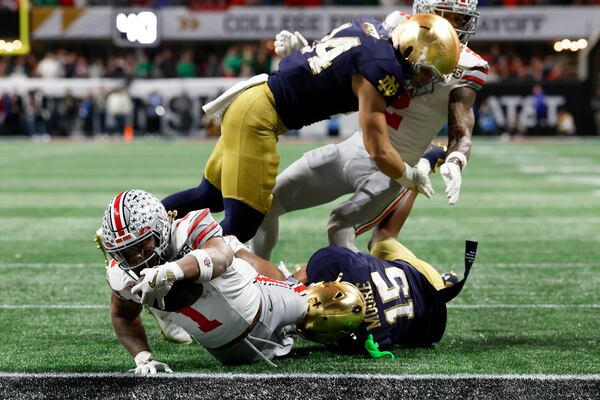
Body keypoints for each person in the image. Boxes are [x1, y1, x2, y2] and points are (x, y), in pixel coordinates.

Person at [162, 14, 461, 244]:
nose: (425, 81)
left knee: (209, 196)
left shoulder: (368, 28)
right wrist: (410, 176)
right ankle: (174, 270)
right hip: (259, 116)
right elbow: (378, 149)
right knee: (243, 222)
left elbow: (330, 65)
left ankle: (144, 227)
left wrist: (301, 51)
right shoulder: (385, 71)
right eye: (425, 72)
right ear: (409, 50)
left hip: (253, 100)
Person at [253, 0, 488, 259]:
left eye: (462, 19)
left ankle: (366, 294)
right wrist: (309, 58)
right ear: (424, 12)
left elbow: (462, 130)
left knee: (340, 227)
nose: (455, 27)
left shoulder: (467, 66)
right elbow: (350, 59)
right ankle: (258, 277)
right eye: (448, 16)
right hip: (356, 147)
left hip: (395, 170)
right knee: (268, 203)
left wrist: (455, 159)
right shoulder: (397, 25)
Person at [100, 189, 309, 372]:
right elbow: (122, 316)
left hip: (263, 304)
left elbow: (221, 257)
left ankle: (308, 275)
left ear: (161, 228)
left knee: (321, 308)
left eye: (141, 246)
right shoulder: (122, 276)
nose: (136, 258)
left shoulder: (188, 229)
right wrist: (142, 358)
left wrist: (171, 270)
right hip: (230, 353)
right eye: (125, 252)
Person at [290, 195, 477, 353]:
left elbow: (297, 280)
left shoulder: (371, 338)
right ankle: (413, 182)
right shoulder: (365, 340)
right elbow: (306, 273)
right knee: (383, 236)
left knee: (385, 237)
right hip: (421, 282)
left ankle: (443, 283)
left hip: (431, 314)